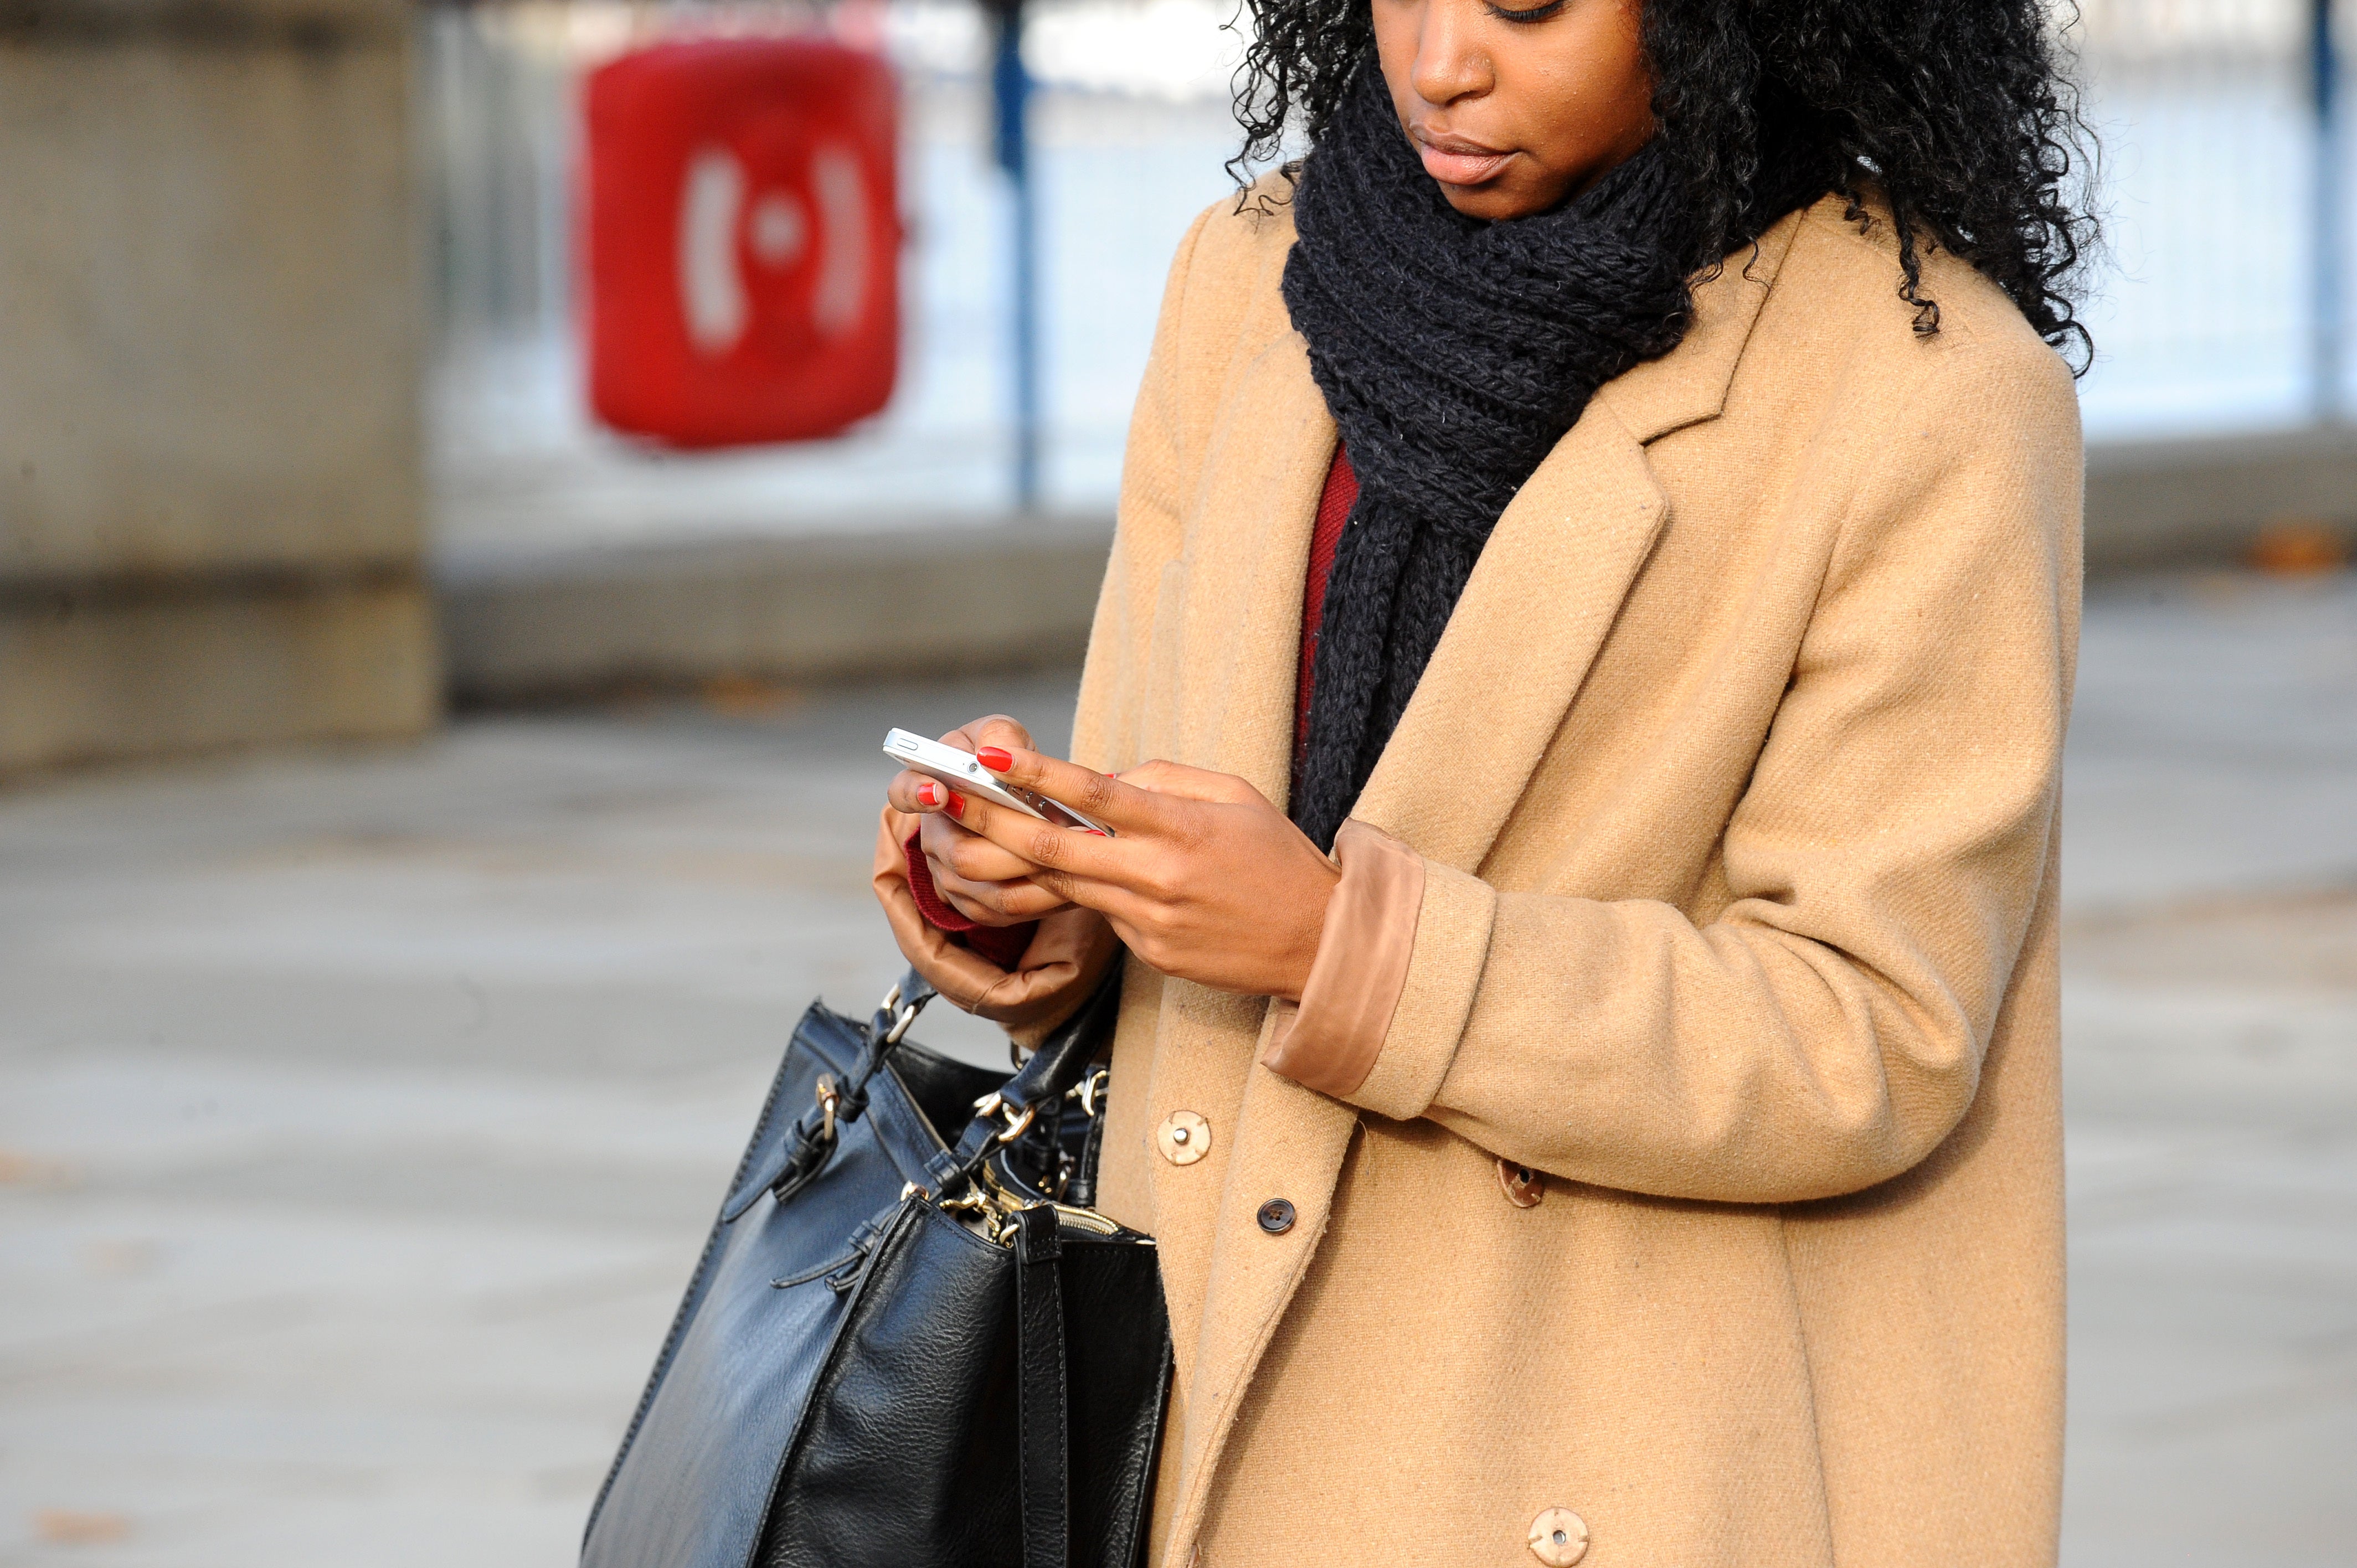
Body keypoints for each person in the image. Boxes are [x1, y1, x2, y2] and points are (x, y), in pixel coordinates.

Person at [874, 0, 2094, 1561]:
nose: (1443, 61)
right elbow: (1151, 783)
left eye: (1529, 6)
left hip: (1605, 1439)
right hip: (1184, 1413)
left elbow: (1872, 1032)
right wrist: (1039, 886)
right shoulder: (1252, 272)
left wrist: (1339, 950)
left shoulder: (1930, 396)